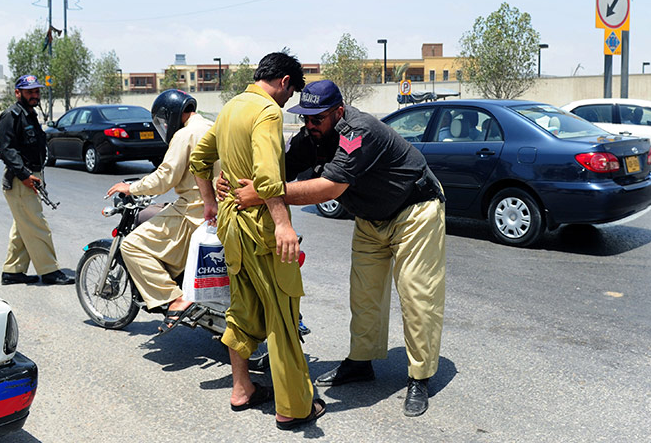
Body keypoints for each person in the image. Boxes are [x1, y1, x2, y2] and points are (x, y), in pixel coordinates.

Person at [224, 79, 446, 417]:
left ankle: (420, 376)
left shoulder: (358, 131)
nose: (310, 125)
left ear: (338, 112)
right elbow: (275, 167)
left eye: (318, 119)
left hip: (414, 210)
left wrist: (266, 193)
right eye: (305, 118)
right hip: (371, 218)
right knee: (363, 294)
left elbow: (330, 187)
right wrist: (232, 178)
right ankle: (361, 362)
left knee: (417, 295)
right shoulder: (310, 137)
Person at [189, 52, 325, 430]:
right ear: (284, 82)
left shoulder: (231, 107)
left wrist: (210, 203)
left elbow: (200, 159)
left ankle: (242, 389)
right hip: (260, 227)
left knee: (244, 309)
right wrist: (282, 225)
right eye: (291, 91)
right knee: (282, 315)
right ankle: (293, 408)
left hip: (231, 227)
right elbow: (267, 178)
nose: (288, 100)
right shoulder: (267, 112)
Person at [106, 89, 213, 335]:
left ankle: (174, 298)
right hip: (218, 208)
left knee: (132, 245)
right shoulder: (211, 126)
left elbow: (164, 178)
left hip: (195, 210)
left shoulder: (186, 134)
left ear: (172, 116)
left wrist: (131, 187)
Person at [0, 75, 73, 285]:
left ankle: (13, 271)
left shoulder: (29, 114)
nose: (34, 95)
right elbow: (7, 149)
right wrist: (24, 175)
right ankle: (49, 271)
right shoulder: (10, 116)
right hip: (21, 180)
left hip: (31, 176)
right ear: (18, 92)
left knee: (23, 226)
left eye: (36, 91)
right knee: (37, 225)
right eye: (29, 91)